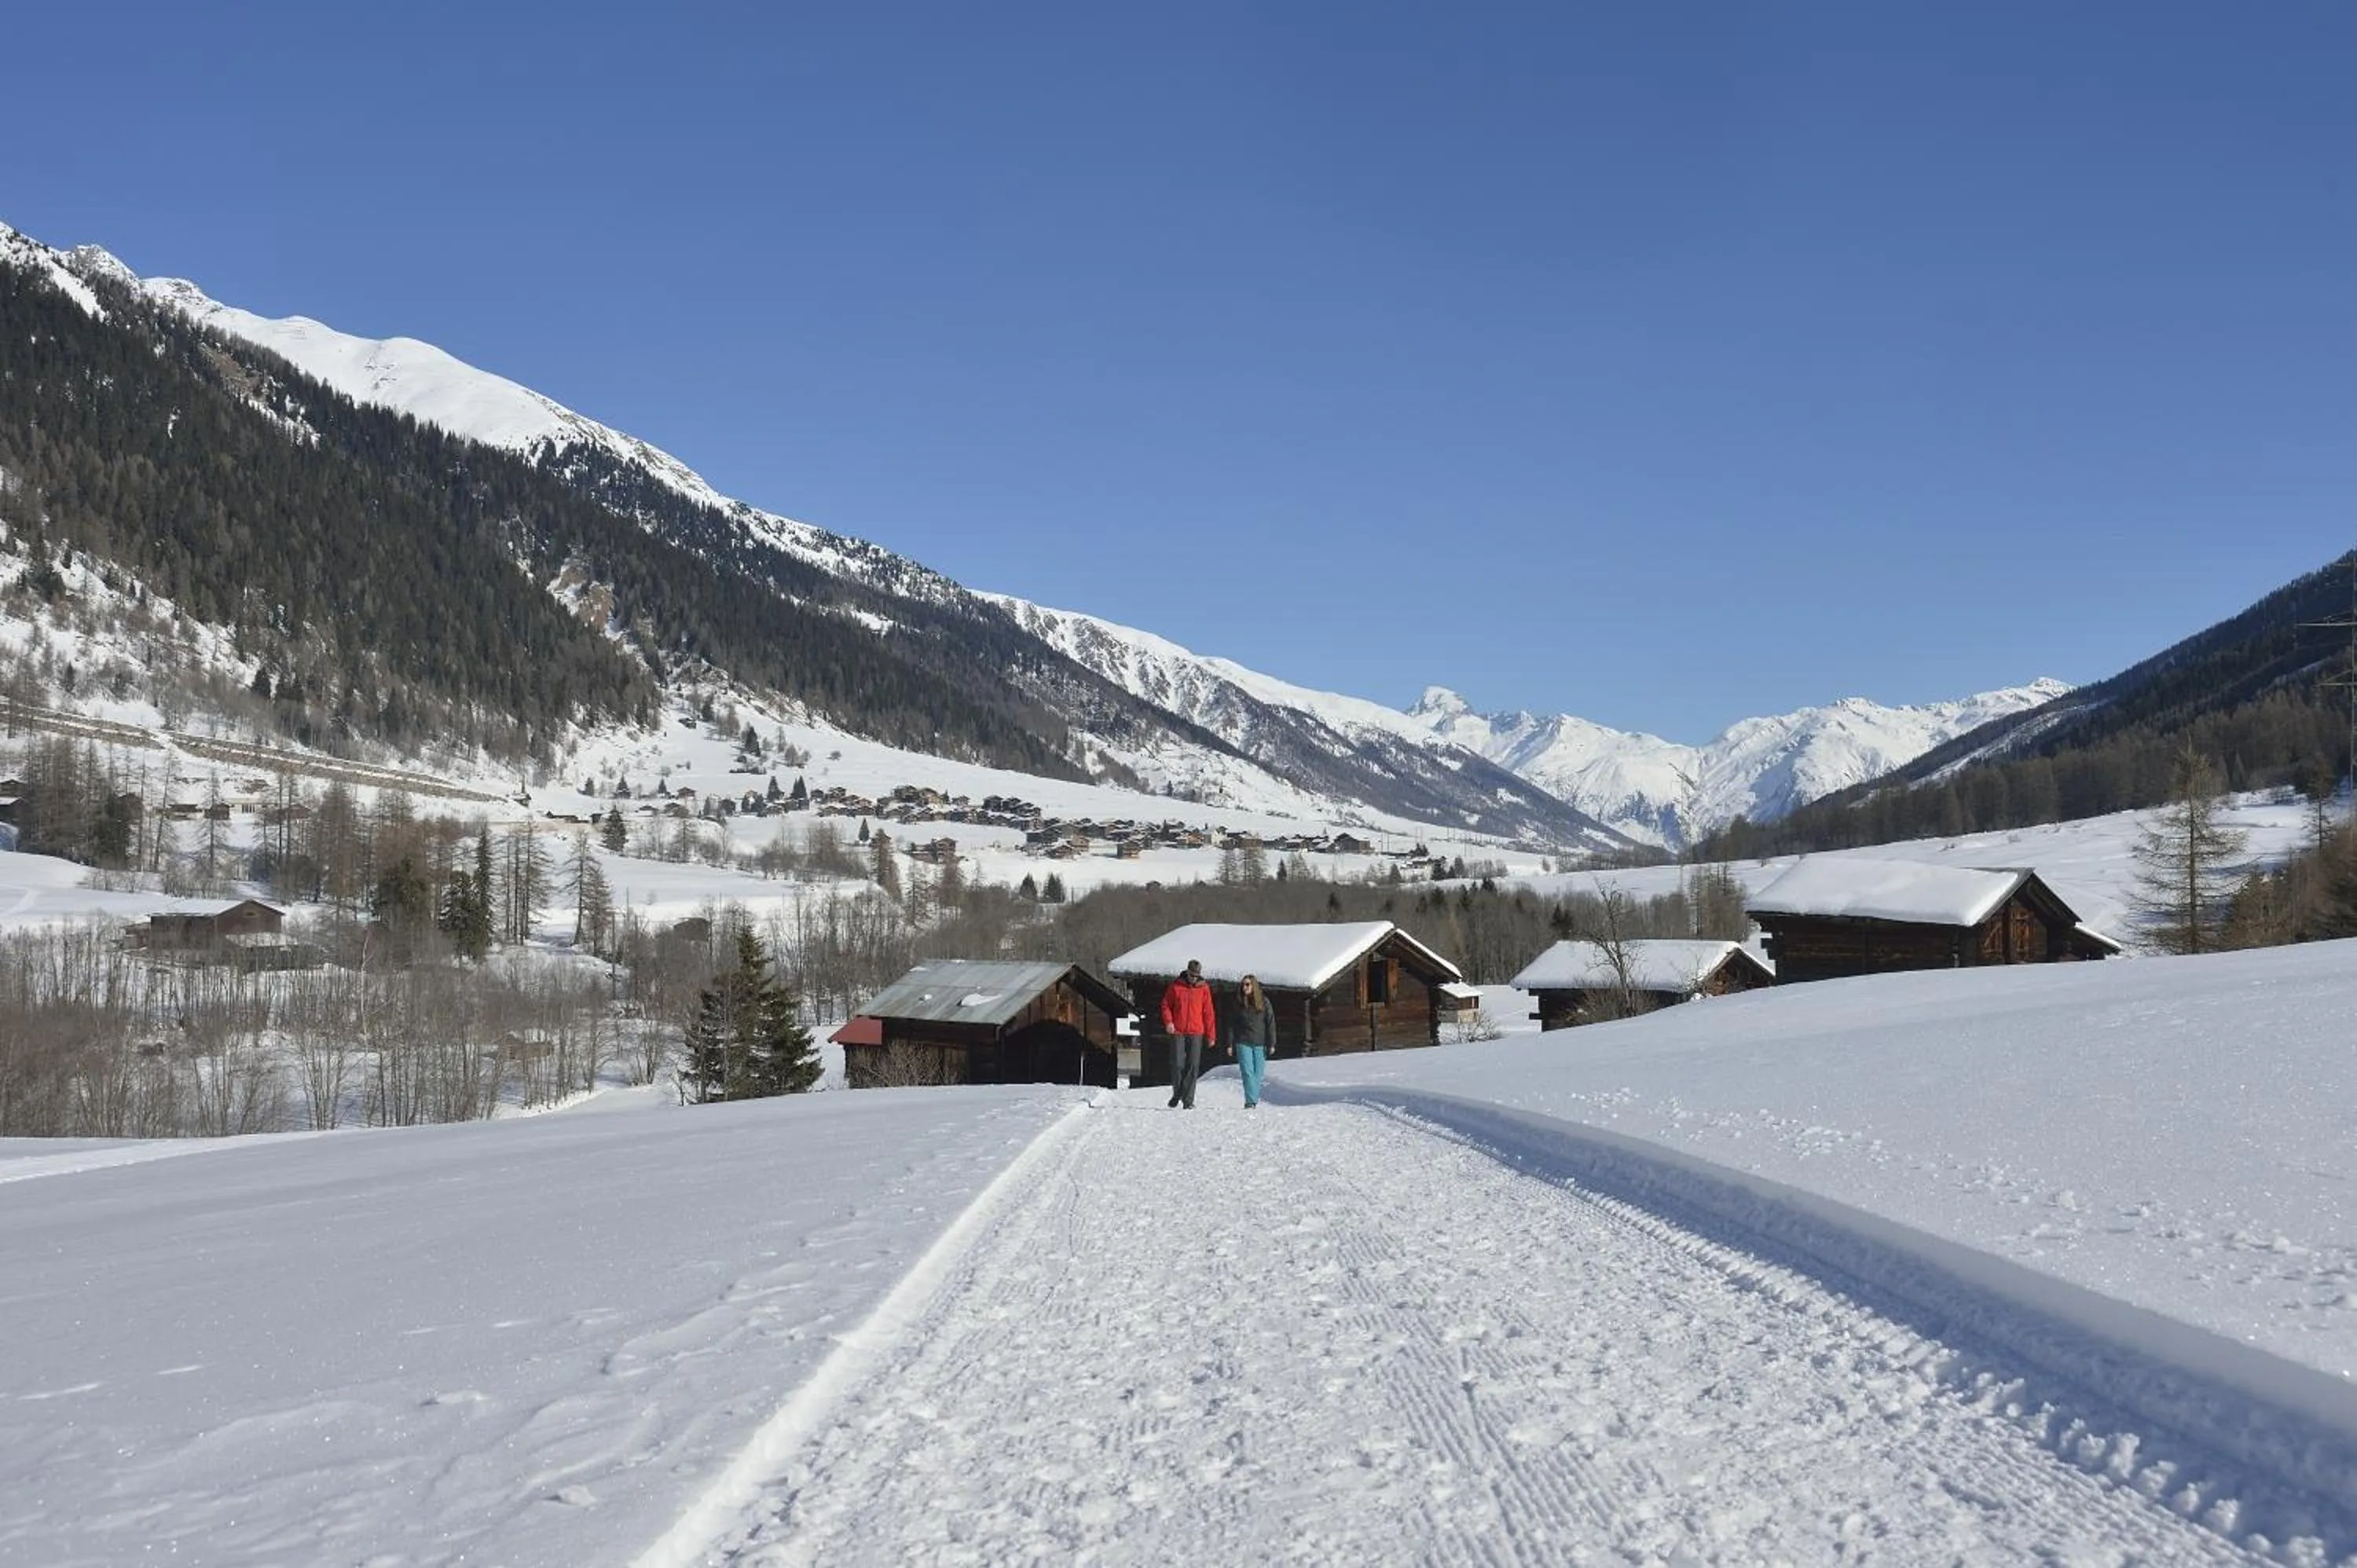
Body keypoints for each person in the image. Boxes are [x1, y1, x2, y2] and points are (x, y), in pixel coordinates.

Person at [1160, 958, 1216, 1109]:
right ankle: (1178, 1093)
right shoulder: (1176, 986)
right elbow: (1166, 1005)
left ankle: (1187, 1101)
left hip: (1196, 1031)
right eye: (1192, 975)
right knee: (1177, 1064)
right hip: (1178, 1030)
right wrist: (1169, 1022)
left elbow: (1209, 1012)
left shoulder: (1204, 988)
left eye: (1197, 976)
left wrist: (1211, 1035)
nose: (1194, 979)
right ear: (1187, 972)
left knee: (1193, 1065)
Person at [1232, 973, 1274, 1109]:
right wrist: (1229, 1043)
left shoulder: (1264, 1002)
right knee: (1247, 1072)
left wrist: (1272, 1043)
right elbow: (1232, 1024)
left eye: (1247, 984)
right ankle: (1251, 1102)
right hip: (1243, 1042)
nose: (1244, 987)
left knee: (1258, 1074)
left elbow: (1270, 1022)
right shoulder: (1239, 1003)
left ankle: (1253, 1098)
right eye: (1243, 985)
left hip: (1260, 1043)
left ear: (1254, 986)